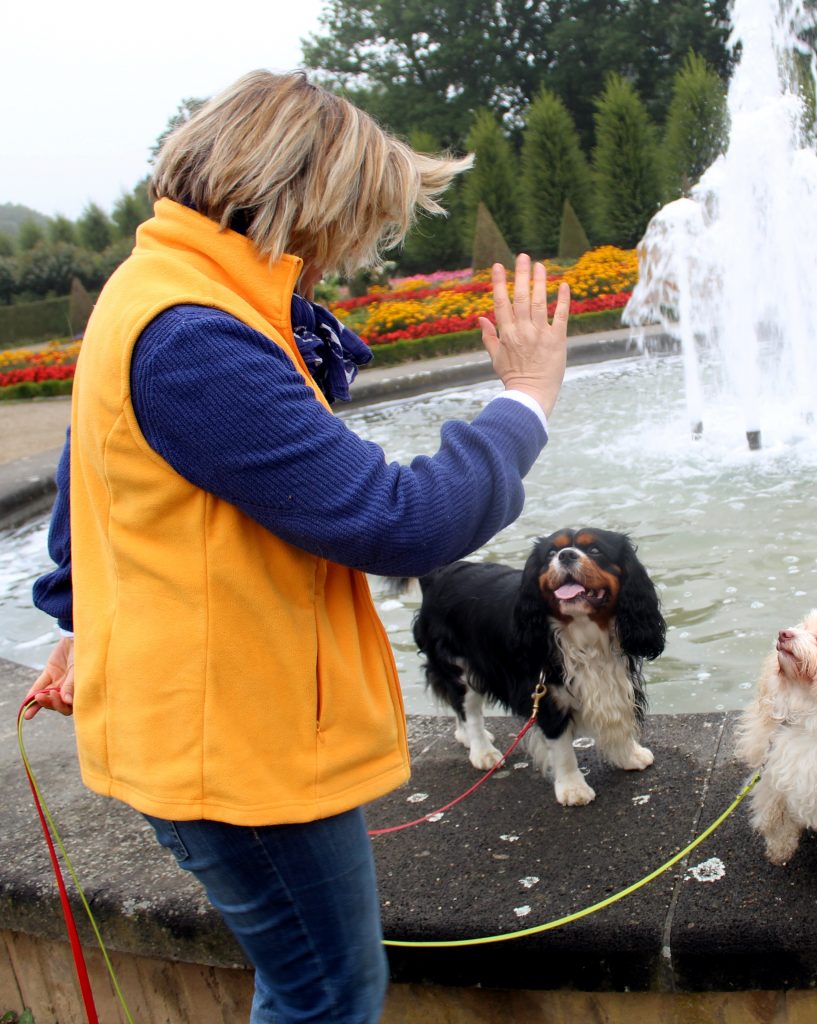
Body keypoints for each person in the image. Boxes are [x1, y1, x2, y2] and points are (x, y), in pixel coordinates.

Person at [24, 69, 570, 1023]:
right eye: (356, 220)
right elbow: (396, 520)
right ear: (302, 200)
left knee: (310, 984)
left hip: (212, 728)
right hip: (238, 750)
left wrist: (83, 619)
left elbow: (83, 489)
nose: (354, 252)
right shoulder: (195, 334)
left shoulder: (156, 289)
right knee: (326, 995)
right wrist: (522, 402)